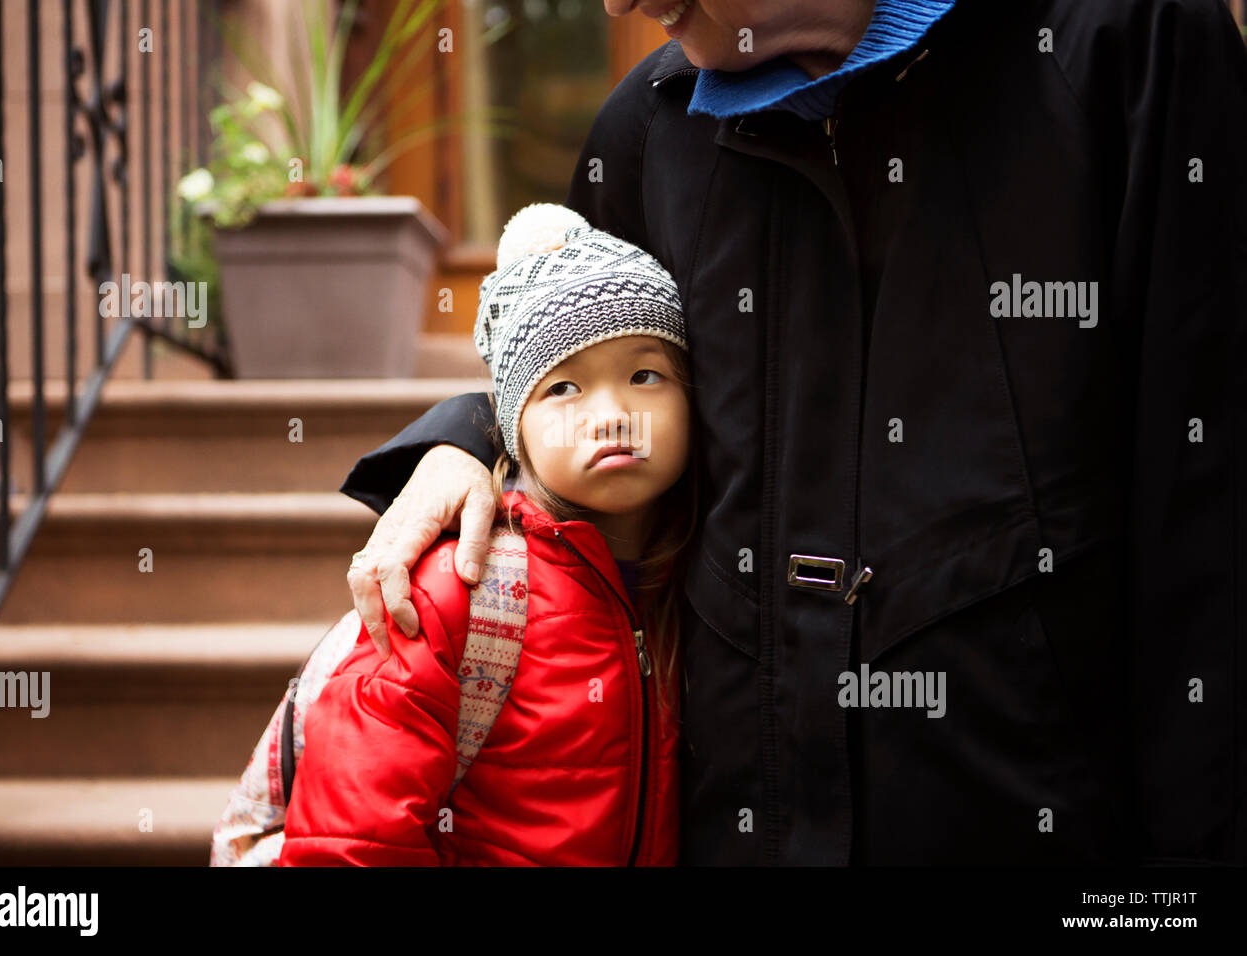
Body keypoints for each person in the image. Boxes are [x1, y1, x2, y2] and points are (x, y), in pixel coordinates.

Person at [339, 0, 1247, 864]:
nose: (616, 7)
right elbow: (562, 366)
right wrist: (464, 441)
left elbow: (1207, 515)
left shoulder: (1130, 46)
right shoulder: (647, 127)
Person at [278, 204, 696, 865]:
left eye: (645, 375)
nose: (613, 415)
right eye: (563, 388)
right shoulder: (460, 589)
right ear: (512, 430)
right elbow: (353, 835)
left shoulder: (705, 582)